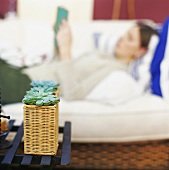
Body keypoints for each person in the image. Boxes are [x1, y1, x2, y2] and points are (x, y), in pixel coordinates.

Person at [0, 20, 158, 105]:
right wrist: (60, 43)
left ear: (140, 51)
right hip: (25, 72)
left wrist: (66, 49)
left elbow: (72, 92)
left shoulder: (115, 72)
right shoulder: (103, 55)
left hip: (30, 85)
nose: (122, 38)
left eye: (129, 38)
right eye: (125, 34)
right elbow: (61, 65)